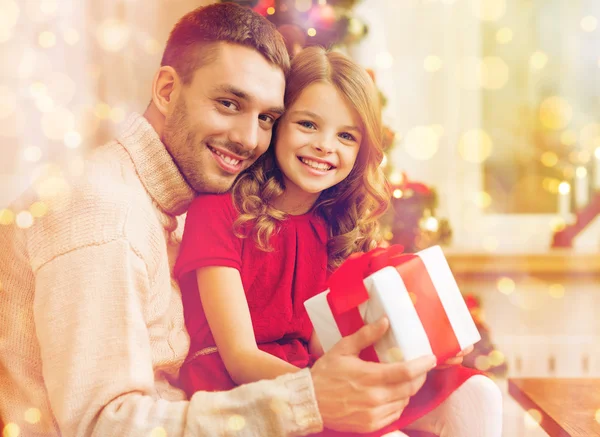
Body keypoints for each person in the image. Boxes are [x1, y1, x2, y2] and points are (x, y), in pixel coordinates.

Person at [0, 3, 438, 436]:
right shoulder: (101, 213)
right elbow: (102, 426)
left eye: (267, 118)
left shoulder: (173, 203)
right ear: (167, 91)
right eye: (229, 103)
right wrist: (307, 401)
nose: (250, 139)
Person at [174, 46, 503, 437]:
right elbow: (240, 358)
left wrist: (429, 354)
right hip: (244, 390)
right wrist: (323, 393)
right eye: (308, 125)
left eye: (346, 135)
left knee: (478, 392)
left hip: (311, 374)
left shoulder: (330, 227)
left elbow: (324, 345)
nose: (325, 146)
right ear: (277, 125)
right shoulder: (219, 212)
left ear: (361, 150)